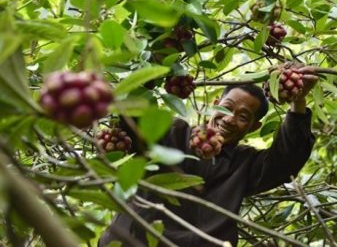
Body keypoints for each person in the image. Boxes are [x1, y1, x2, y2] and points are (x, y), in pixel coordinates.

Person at [99, 66, 318, 247]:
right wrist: (155, 67)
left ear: (253, 127)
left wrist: (297, 101)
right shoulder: (172, 132)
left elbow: (286, 160)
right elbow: (131, 120)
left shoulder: (245, 164)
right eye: (227, 108)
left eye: (243, 116)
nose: (229, 119)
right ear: (214, 105)